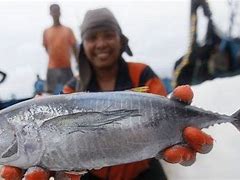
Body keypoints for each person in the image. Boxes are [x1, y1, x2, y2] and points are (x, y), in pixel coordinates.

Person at [0, 8, 213, 180]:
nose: (101, 43)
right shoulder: (72, 87)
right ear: (84, 46)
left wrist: (179, 138)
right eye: (92, 37)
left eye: (108, 35)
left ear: (121, 40)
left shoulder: (142, 73)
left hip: (143, 171)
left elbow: (162, 114)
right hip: (93, 175)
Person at [43, 3, 78, 94]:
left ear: (60, 13)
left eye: (57, 11)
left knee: (71, 91)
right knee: (48, 93)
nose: (55, 13)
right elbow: (47, 48)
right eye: (53, 11)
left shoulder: (68, 30)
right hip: (52, 67)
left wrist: (78, 62)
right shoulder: (46, 32)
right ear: (50, 13)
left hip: (66, 67)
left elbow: (75, 48)